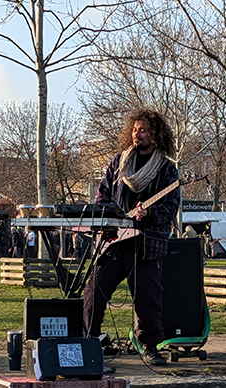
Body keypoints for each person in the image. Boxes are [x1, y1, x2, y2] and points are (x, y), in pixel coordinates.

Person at [83, 108, 181, 367]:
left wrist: (149, 212)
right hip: (115, 241)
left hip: (145, 244)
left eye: (144, 130)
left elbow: (171, 206)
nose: (138, 134)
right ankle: (89, 341)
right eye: (135, 129)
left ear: (156, 134)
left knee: (148, 298)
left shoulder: (167, 170)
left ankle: (149, 347)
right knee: (94, 290)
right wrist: (105, 218)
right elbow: (103, 195)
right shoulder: (118, 162)